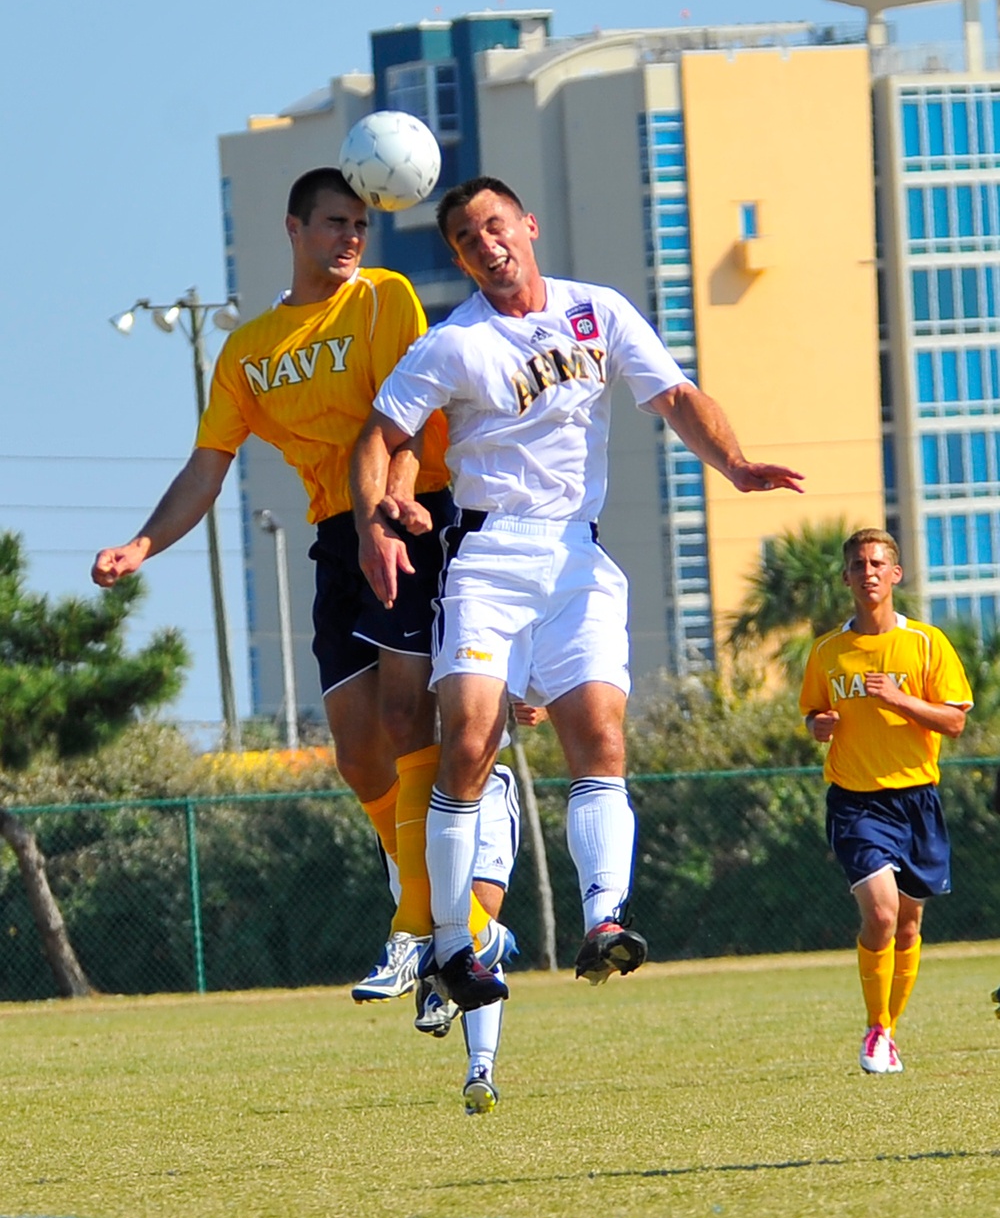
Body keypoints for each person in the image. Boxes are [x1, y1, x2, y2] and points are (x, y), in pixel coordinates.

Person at [350, 174, 804, 1011]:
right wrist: (374, 525)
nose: (486, 244)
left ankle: (604, 922)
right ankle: (454, 943)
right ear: (458, 256)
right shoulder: (456, 342)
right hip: (488, 558)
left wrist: (735, 465)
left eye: (495, 226)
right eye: (465, 239)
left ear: (526, 226)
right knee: (471, 743)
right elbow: (381, 434)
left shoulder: (599, 311)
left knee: (599, 734)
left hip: (577, 559)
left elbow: (674, 395)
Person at [91, 166, 500, 1001]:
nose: (352, 237)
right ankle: (470, 919)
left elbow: (407, 420)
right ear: (294, 227)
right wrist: (142, 543)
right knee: (356, 754)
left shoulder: (383, 297)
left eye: (360, 223)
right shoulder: (247, 350)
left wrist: (391, 509)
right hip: (331, 534)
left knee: (401, 712)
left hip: (410, 511)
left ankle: (417, 923)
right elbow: (207, 471)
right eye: (335, 222)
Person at [800, 528, 972, 1074]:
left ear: (895, 575)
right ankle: (877, 1031)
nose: (868, 571)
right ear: (847, 577)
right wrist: (818, 725)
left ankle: (888, 1031)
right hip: (856, 803)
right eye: (858, 564)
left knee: (909, 928)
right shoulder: (828, 651)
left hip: (917, 800)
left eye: (878, 563)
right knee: (880, 912)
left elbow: (956, 720)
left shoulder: (925, 643)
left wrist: (900, 699)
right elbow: (813, 715)